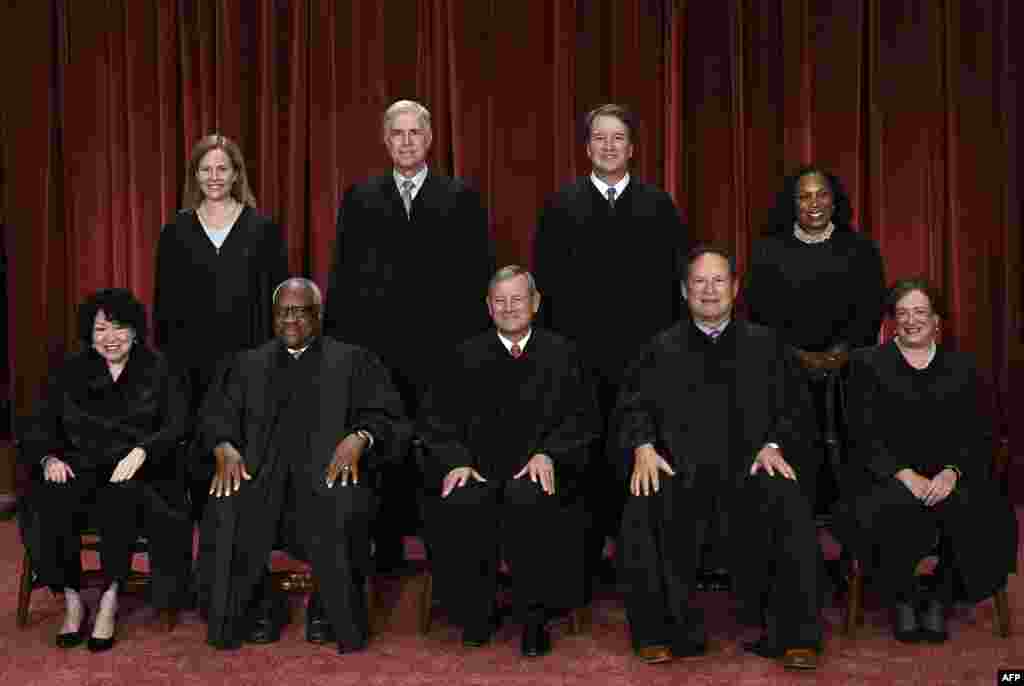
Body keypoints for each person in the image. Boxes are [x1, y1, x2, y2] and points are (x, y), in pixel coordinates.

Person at [614, 245, 823, 670]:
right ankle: (659, 632)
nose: (709, 291)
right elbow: (632, 406)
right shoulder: (660, 348)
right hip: (680, 472)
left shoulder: (766, 345)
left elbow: (795, 410)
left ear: (735, 287)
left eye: (718, 281)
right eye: (699, 282)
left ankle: (795, 636)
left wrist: (775, 445)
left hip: (748, 472)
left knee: (787, 496)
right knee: (643, 500)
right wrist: (643, 446)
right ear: (684, 291)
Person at [324, 99, 494, 569]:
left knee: (436, 440)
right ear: (385, 139)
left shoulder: (459, 197)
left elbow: (476, 276)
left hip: (442, 348)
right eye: (396, 133)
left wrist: (471, 350)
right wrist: (342, 351)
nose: (405, 141)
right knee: (382, 440)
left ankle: (441, 545)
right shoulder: (360, 198)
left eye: (414, 133)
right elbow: (343, 279)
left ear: (429, 138)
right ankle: (386, 544)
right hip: (377, 350)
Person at [197, 278, 407, 653]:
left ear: (319, 314)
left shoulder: (353, 361)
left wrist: (359, 437)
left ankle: (329, 608)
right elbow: (216, 415)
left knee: (345, 503)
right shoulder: (247, 364)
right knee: (226, 503)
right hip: (261, 477)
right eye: (282, 312)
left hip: (326, 476)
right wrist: (224, 446)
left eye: (300, 311)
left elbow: (390, 420)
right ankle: (254, 607)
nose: (290, 320)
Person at [534, 103, 689, 587]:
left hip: (643, 359)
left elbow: (673, 289)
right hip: (578, 359)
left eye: (618, 138)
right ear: (586, 148)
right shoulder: (561, 207)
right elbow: (548, 289)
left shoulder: (658, 206)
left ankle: (638, 561)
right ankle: (580, 561)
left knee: (638, 452)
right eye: (599, 138)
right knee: (583, 456)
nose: (608, 146)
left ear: (632, 147)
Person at [418, 266, 600, 657]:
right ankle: (475, 615)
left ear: (535, 303)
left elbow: (583, 421)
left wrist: (549, 453)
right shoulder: (462, 356)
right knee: (464, 498)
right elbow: (435, 422)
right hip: (479, 468)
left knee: (529, 498)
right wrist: (456, 461)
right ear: (488, 306)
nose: (509, 307)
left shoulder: (564, 354)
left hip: (541, 471)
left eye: (518, 299)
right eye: (500, 301)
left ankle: (533, 620)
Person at [835, 278, 1018, 643]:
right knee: (888, 508)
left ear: (937, 320)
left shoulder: (964, 367)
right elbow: (860, 433)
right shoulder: (866, 365)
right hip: (886, 475)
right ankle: (901, 596)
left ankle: (940, 594)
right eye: (902, 313)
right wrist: (904, 474)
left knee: (982, 512)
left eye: (920, 312)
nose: (911, 320)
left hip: (951, 475)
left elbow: (980, 432)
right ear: (891, 322)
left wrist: (952, 472)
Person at [19, 288, 191, 652]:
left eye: (118, 328)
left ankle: (110, 599)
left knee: (121, 497)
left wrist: (144, 450)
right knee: (46, 497)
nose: (109, 339)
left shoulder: (160, 369)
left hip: (139, 470)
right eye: (100, 330)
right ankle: (72, 598)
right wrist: (50, 458)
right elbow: (39, 423)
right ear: (89, 333)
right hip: (80, 466)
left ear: (135, 331)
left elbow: (179, 424)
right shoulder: (70, 370)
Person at [154, 133, 288, 521]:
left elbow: (280, 303)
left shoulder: (263, 230)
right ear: (195, 176)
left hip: (251, 360)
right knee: (197, 448)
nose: (214, 176)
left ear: (236, 175)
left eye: (222, 169)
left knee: (248, 450)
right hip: (189, 364)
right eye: (205, 169)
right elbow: (164, 308)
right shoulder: (175, 232)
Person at [745, 165, 886, 511]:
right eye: (804, 196)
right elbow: (760, 312)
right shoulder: (768, 251)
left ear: (834, 200)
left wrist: (839, 353)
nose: (814, 203)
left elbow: (871, 306)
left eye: (821, 194)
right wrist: (799, 357)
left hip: (849, 365)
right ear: (792, 204)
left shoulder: (860, 248)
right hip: (784, 365)